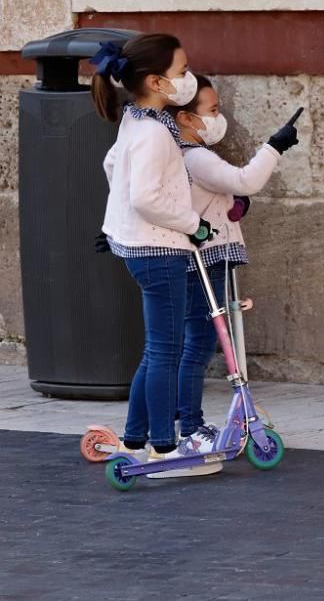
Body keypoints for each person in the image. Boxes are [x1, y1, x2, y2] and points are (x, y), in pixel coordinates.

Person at [90, 33, 217, 473]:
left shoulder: (136, 121)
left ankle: (135, 437)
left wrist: (123, 219)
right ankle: (165, 448)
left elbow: (112, 165)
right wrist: (192, 223)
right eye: (181, 72)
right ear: (156, 82)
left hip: (142, 245)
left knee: (156, 349)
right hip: (159, 250)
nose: (187, 79)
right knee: (167, 350)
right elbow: (145, 196)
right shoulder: (154, 133)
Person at [161, 74, 297, 465]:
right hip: (204, 260)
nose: (220, 118)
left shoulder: (181, 155)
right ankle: (190, 425)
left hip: (201, 257)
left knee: (192, 342)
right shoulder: (196, 155)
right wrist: (275, 146)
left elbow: (220, 198)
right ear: (187, 118)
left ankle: (180, 416)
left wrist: (233, 206)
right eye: (213, 111)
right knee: (198, 344)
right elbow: (245, 180)